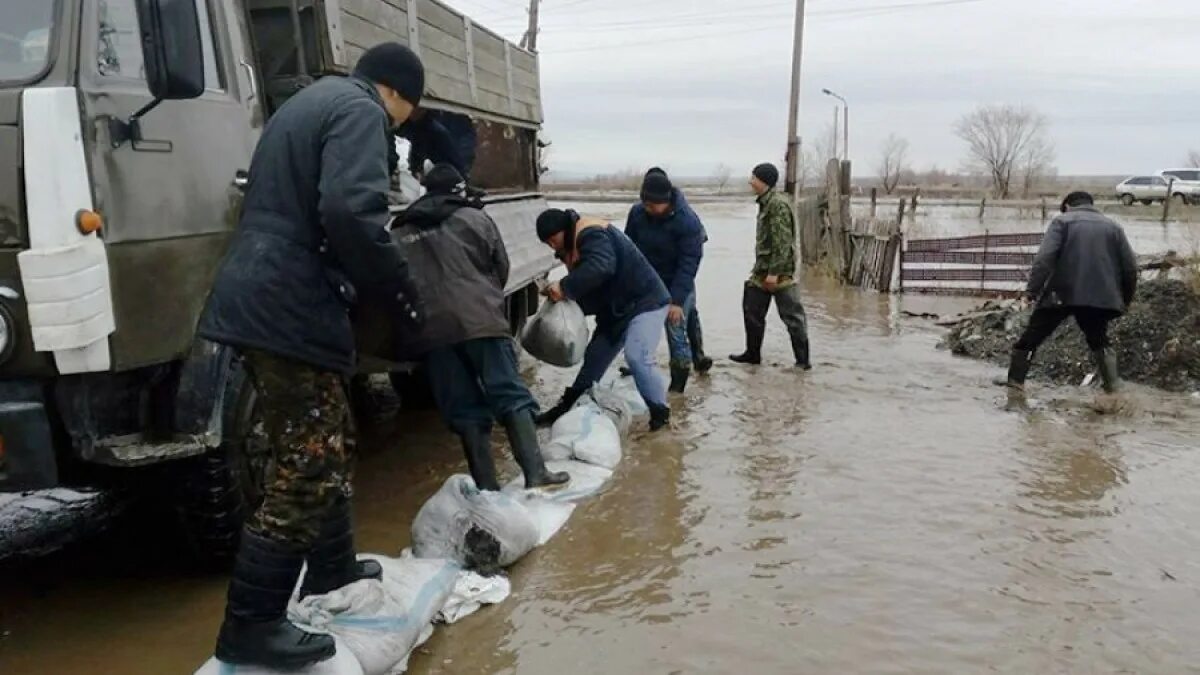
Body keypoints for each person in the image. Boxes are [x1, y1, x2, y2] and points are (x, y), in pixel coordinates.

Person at [198, 43, 426, 669]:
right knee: (310, 461)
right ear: (399, 94)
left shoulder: (311, 101)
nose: (401, 129)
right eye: (407, 116)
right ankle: (251, 624)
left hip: (270, 293)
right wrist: (399, 294)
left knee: (332, 437)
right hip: (286, 302)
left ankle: (330, 568)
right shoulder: (362, 111)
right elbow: (351, 210)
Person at [390, 164, 569, 491]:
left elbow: (395, 281)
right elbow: (501, 267)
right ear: (458, 189)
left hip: (431, 332)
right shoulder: (474, 218)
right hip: (481, 322)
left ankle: (488, 489)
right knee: (509, 393)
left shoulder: (398, 229)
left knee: (462, 407)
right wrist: (485, 300)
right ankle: (536, 473)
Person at [534, 208, 673, 431]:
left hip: (646, 302)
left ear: (563, 231)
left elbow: (601, 267)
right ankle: (565, 407)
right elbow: (593, 289)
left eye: (553, 240)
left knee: (637, 357)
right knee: (593, 359)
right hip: (615, 310)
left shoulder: (590, 234)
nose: (552, 246)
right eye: (547, 243)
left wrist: (565, 286)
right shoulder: (572, 246)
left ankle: (661, 416)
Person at [997, 191, 1138, 398]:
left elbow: (1044, 259)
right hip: (1098, 298)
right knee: (1099, 339)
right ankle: (1113, 391)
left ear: (1067, 206)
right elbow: (1130, 269)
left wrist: (1031, 292)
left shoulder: (1062, 222)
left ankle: (1015, 385)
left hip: (1061, 294)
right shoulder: (1113, 227)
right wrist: (1124, 300)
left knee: (1032, 338)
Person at [625, 169, 706, 392]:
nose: (647, 209)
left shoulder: (687, 220)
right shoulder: (638, 213)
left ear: (666, 201)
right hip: (648, 282)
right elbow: (629, 248)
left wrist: (677, 301)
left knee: (676, 329)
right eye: (645, 203)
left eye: (652, 205)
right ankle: (640, 365)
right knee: (638, 324)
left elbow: (689, 262)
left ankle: (678, 389)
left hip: (677, 283)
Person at [730, 163, 812, 369]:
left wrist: (774, 273)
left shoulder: (777, 205)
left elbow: (782, 242)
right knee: (751, 308)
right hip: (762, 270)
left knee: (792, 317)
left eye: (754, 177)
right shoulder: (766, 203)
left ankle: (803, 362)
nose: (750, 181)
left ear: (763, 181)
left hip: (779, 273)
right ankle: (752, 355)